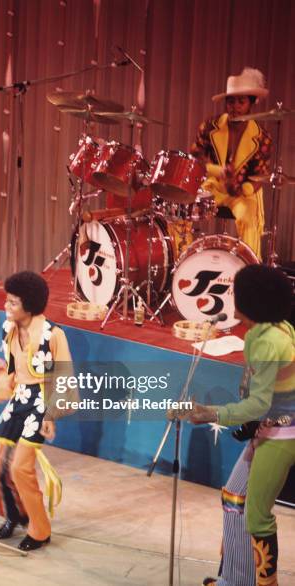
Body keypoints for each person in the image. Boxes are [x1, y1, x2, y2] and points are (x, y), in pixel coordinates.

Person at [185, 265, 294, 586]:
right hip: (270, 428)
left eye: (237, 291)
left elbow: (259, 402)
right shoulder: (273, 330)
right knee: (234, 496)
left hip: (282, 435)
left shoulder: (267, 341)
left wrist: (212, 413)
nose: (231, 296)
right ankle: (236, 579)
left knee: (258, 518)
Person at [0, 271, 74, 551]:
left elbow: (64, 379)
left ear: (29, 305)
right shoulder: (8, 329)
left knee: (20, 467)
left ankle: (40, 529)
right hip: (19, 399)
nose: (6, 307)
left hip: (41, 403)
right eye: (7, 301)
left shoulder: (53, 335)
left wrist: (50, 415)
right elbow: (11, 373)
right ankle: (14, 515)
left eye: (13, 303)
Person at [190, 67, 272, 259]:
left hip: (243, 192)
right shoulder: (210, 126)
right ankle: (182, 262)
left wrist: (241, 188)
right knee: (185, 205)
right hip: (213, 187)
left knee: (248, 218)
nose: (235, 107)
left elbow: (261, 176)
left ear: (252, 103)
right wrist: (218, 171)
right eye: (231, 101)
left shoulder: (262, 137)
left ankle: (250, 271)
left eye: (241, 102)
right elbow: (195, 156)